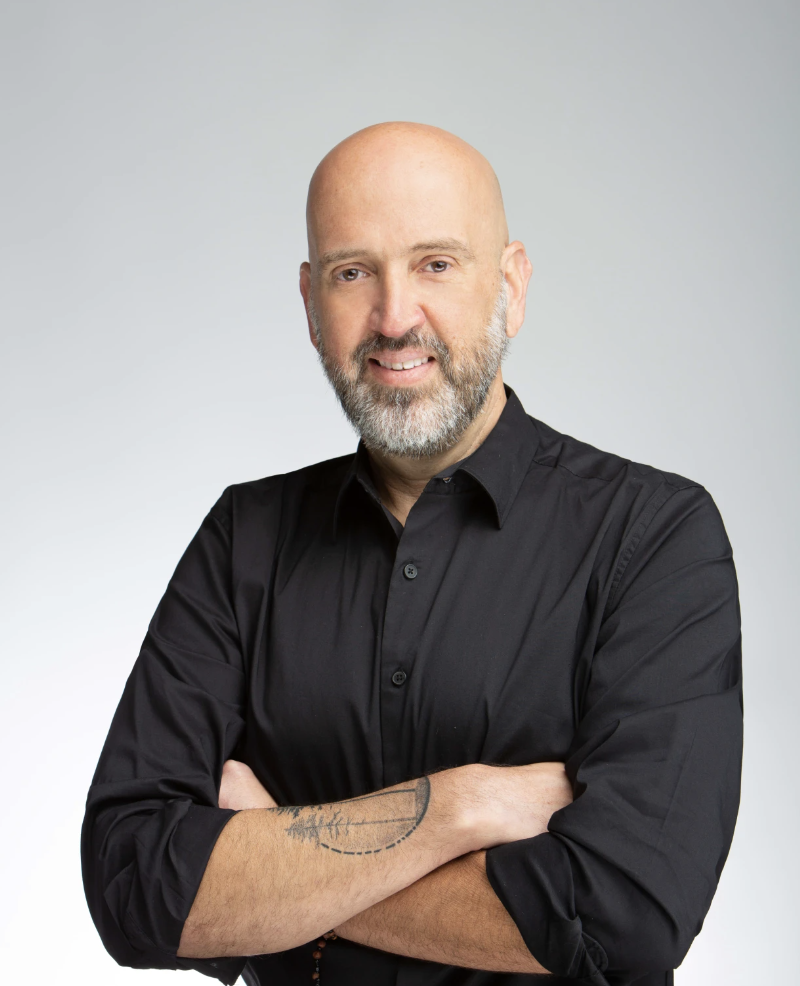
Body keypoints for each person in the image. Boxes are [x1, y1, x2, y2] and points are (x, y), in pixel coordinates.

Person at [81, 122, 743, 986]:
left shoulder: (654, 536)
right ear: (313, 305)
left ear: (510, 286)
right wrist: (460, 808)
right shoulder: (243, 538)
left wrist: (278, 873)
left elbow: (620, 923)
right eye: (355, 273)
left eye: (436, 263)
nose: (395, 319)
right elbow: (131, 886)